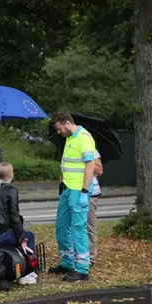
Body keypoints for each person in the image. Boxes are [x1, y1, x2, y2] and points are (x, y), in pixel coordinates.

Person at [48, 112, 97, 282]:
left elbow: (91, 165)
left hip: (79, 191)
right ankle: (68, 261)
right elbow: (67, 163)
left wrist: (84, 191)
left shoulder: (84, 137)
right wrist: (62, 182)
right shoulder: (69, 138)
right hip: (68, 189)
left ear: (67, 123)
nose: (59, 132)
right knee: (61, 226)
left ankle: (82, 268)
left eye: (59, 128)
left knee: (78, 228)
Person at [0, 162, 36, 254]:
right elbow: (14, 216)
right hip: (3, 235)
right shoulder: (11, 190)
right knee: (29, 236)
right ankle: (31, 267)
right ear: (11, 175)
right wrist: (22, 238)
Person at [89, 150, 102, 265]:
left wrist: (87, 163)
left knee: (89, 225)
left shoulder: (92, 150)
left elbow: (100, 170)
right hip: (73, 191)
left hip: (90, 192)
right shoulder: (68, 147)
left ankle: (91, 257)